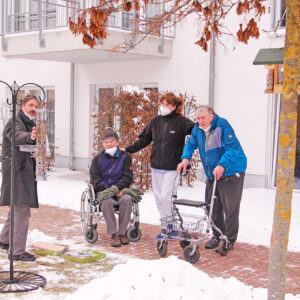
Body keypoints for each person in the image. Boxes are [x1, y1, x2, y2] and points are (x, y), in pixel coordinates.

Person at [177, 105, 247, 251]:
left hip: (231, 170)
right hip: (212, 172)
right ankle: (217, 235)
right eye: (197, 118)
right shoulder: (197, 129)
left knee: (230, 207)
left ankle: (228, 239)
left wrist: (222, 165)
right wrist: (185, 159)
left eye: (203, 118)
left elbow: (232, 148)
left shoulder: (222, 125)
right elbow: (190, 144)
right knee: (212, 205)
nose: (200, 121)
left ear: (211, 116)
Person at [125, 92, 195, 238]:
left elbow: (197, 134)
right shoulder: (155, 121)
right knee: (158, 198)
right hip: (156, 165)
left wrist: (186, 159)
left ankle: (173, 226)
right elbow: (144, 140)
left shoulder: (181, 122)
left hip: (173, 167)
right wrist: (128, 150)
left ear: (174, 106)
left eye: (167, 104)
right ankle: (165, 227)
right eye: (162, 104)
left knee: (166, 197)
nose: (164, 107)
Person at [0, 95, 39, 261]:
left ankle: (4, 241)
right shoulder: (15, 121)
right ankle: (17, 251)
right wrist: (30, 137)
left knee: (16, 208)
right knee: (22, 209)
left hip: (22, 170)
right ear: (22, 106)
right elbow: (17, 136)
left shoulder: (29, 122)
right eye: (31, 105)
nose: (34, 108)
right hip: (16, 172)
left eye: (36, 106)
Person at [90, 127, 142, 247]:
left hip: (121, 190)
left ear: (117, 142)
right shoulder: (97, 159)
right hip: (104, 192)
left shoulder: (125, 157)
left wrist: (118, 189)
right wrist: (109, 191)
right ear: (103, 144)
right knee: (107, 201)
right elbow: (95, 180)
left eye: (111, 141)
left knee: (127, 199)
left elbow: (128, 177)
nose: (108, 144)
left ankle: (122, 233)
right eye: (106, 142)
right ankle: (113, 234)